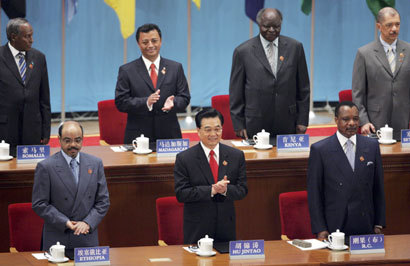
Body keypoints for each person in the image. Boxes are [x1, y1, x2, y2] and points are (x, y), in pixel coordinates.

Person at [307, 101, 385, 240]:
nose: (351, 123)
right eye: (345, 119)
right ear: (336, 120)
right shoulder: (320, 150)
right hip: (335, 226)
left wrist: (379, 223)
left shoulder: (372, 146)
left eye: (355, 119)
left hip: (365, 224)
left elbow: (378, 188)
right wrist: (320, 228)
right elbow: (315, 194)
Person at [229, 8, 310, 141]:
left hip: (288, 122)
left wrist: (302, 120)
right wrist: (238, 123)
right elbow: (236, 92)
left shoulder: (295, 47)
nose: (272, 30)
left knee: (287, 161)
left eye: (276, 26)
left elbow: (304, 88)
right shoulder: (243, 51)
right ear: (259, 24)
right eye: (267, 26)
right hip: (255, 122)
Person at [32, 121, 110, 257]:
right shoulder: (46, 167)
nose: (73, 145)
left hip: (86, 238)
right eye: (67, 141)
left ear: (83, 140)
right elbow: (40, 204)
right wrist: (66, 222)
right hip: (58, 239)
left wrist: (87, 222)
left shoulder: (95, 163)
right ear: (59, 140)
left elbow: (103, 201)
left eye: (77, 140)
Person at [174, 108, 248, 244]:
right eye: (208, 130)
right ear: (198, 131)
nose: (213, 134)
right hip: (197, 228)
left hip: (226, 227)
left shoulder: (236, 156)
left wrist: (225, 190)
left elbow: (242, 190)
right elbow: (181, 193)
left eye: (217, 129)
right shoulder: (185, 158)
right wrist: (211, 190)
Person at [115, 23, 190, 144]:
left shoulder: (175, 68)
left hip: (169, 134)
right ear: (138, 44)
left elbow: (185, 97)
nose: (150, 45)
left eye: (154, 41)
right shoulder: (127, 70)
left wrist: (173, 103)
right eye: (145, 42)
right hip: (138, 136)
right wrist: (145, 102)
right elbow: (121, 102)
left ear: (160, 41)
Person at [352, 7, 410, 140]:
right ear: (379, 26)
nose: (394, 29)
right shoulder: (364, 53)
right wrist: (364, 121)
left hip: (403, 123)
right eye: (389, 25)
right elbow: (357, 92)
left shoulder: (409, 51)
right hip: (375, 123)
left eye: (397, 24)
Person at [0, 18, 51, 156]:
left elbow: (44, 98)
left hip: (33, 131)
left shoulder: (39, 58)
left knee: (31, 173)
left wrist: (46, 131)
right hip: (5, 131)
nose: (32, 40)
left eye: (32, 35)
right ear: (13, 37)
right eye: (27, 36)